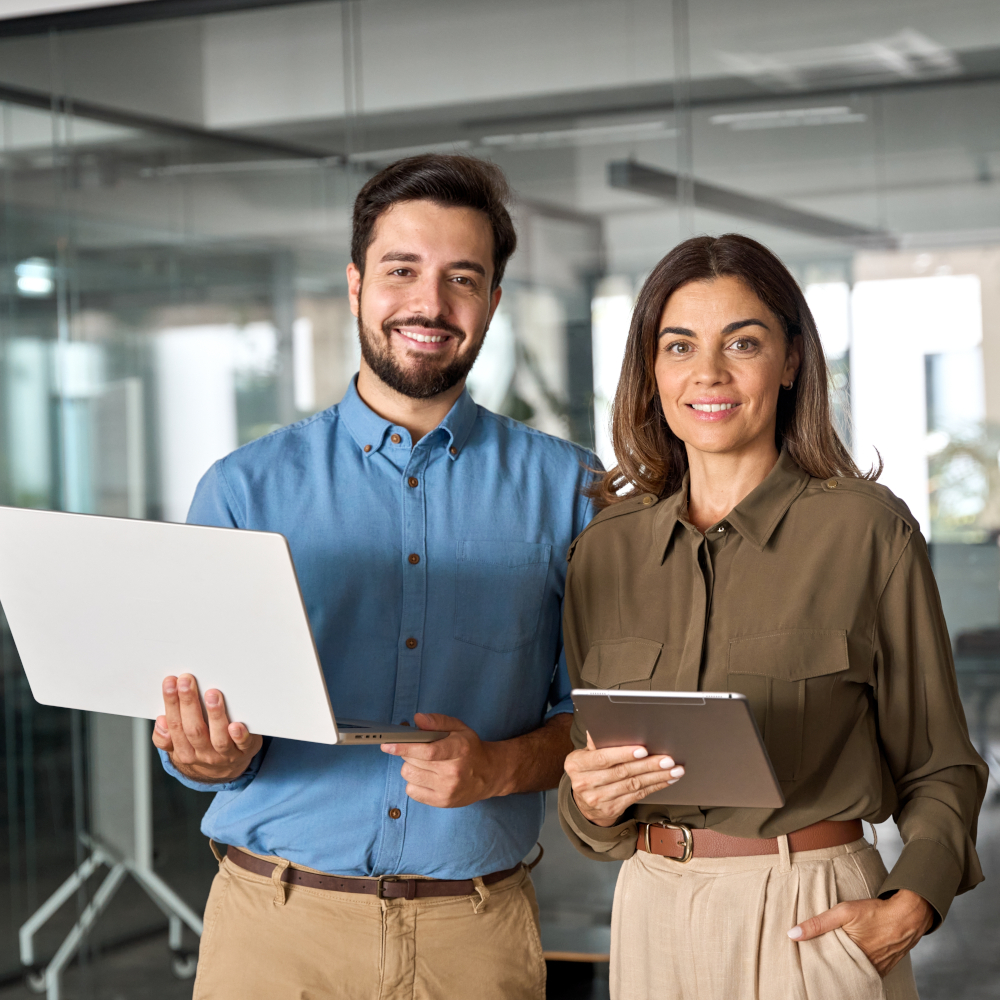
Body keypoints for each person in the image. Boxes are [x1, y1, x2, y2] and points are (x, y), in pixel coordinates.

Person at [152, 154, 596, 1000]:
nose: (431, 303)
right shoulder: (244, 489)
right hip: (274, 934)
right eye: (402, 270)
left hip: (476, 939)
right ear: (356, 284)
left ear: (493, 302)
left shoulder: (571, 490)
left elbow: (603, 720)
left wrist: (498, 768)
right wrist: (206, 753)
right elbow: (193, 735)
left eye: (462, 278)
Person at [558, 234, 988, 1000]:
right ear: (652, 371)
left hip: (810, 911)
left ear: (790, 361)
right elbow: (593, 782)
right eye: (679, 345)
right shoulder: (604, 551)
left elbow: (941, 765)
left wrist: (911, 903)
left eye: (742, 343)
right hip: (649, 908)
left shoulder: (867, 532)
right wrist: (588, 803)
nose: (709, 373)